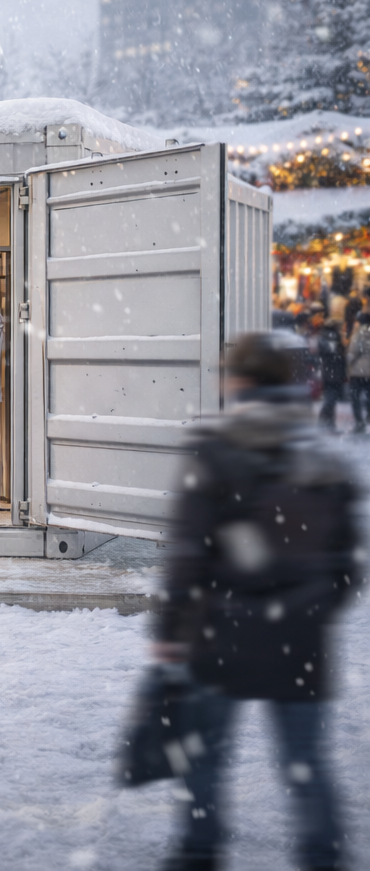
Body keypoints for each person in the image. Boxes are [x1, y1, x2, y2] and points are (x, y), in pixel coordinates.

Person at [154, 332, 360, 871]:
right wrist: (308, 608)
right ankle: (323, 855)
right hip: (301, 638)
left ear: (241, 383)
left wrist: (171, 629)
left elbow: (188, 553)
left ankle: (199, 851)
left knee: (205, 756)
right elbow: (348, 566)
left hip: (219, 631)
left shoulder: (216, 449)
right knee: (305, 762)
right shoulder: (325, 456)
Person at [316, 318, 346, 431]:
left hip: (328, 370)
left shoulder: (324, 336)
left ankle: (328, 422)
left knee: (330, 397)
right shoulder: (334, 337)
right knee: (331, 398)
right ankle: (325, 421)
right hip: (334, 371)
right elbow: (336, 353)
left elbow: (325, 353)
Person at [348, 310, 370, 434]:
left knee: (355, 397)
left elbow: (353, 351)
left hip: (358, 371)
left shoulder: (358, 333)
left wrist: (348, 365)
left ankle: (359, 422)